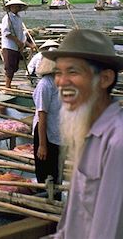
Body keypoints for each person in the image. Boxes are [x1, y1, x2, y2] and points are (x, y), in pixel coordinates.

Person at [43, 29, 123, 238]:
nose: (61, 82)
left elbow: (108, 231)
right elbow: (73, 221)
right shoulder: (86, 134)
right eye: (58, 73)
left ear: (105, 79)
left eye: (73, 72)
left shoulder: (117, 143)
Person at [31, 57, 61, 185]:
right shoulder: (45, 84)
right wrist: (43, 145)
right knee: (45, 174)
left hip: (57, 132)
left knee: (56, 172)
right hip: (45, 133)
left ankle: (56, 199)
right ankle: (44, 199)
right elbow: (42, 115)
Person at [1, 0, 35, 88]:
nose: (16, 8)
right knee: (9, 67)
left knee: (15, 67)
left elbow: (21, 33)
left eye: (18, 7)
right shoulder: (7, 17)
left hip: (16, 46)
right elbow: (6, 33)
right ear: (10, 7)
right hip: (9, 46)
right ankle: (7, 86)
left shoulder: (18, 18)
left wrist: (25, 44)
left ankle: (9, 84)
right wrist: (17, 41)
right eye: (14, 7)